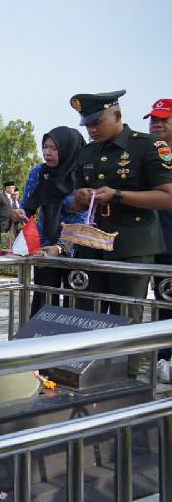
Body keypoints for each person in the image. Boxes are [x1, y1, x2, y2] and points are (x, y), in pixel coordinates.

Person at [69, 90, 172, 376]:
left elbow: (167, 196)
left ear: (117, 115)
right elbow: (75, 195)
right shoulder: (87, 151)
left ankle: (128, 380)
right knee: (87, 314)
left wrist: (117, 196)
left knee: (126, 317)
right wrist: (80, 196)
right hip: (93, 244)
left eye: (96, 122)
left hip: (132, 245)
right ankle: (89, 375)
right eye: (87, 124)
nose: (91, 129)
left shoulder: (148, 146)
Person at [11, 126, 87, 316]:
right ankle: (39, 344)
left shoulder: (83, 174)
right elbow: (28, 206)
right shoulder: (39, 172)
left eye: (54, 148)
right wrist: (18, 214)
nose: (47, 152)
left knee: (74, 307)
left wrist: (62, 247)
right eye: (45, 146)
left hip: (76, 251)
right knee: (43, 304)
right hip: (44, 249)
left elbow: (86, 219)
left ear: (68, 149)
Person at [144, 99, 172, 375]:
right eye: (153, 119)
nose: (157, 124)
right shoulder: (146, 157)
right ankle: (164, 356)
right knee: (164, 304)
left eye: (164, 119)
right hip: (157, 243)